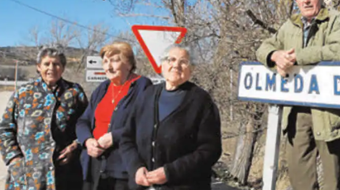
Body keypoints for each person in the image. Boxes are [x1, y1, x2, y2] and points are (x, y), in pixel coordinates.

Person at [256, 0, 340, 190]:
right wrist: (275, 55)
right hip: (296, 113)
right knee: (300, 179)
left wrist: (297, 56)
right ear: (296, 0)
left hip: (329, 112)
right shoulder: (289, 26)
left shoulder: (337, 20)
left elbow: (339, 51)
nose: (307, 0)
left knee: (332, 182)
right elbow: (263, 48)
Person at [120, 44, 222, 190]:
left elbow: (210, 150)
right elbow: (126, 138)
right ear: (162, 65)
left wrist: (169, 172)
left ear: (191, 69)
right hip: (142, 184)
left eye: (183, 62)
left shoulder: (201, 101)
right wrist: (135, 167)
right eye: (171, 59)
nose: (176, 65)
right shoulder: (146, 96)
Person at [0, 47, 88, 190]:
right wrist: (14, 159)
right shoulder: (23, 93)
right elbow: (5, 129)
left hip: (64, 174)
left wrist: (75, 147)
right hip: (27, 176)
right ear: (38, 67)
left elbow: (87, 125)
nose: (51, 68)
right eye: (47, 64)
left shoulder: (74, 92)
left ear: (63, 68)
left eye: (57, 64)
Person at [76, 42, 153, 190]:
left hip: (123, 166)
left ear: (129, 63)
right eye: (105, 62)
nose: (108, 66)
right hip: (94, 164)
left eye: (115, 60)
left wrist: (115, 137)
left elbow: (146, 124)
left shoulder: (142, 86)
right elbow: (83, 121)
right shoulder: (102, 88)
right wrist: (87, 140)